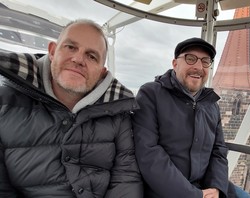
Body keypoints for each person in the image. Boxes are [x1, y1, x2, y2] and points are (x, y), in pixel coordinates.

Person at [0, 19, 143, 197]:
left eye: (92, 56)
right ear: (52, 51)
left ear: (101, 72)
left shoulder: (117, 113)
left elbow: (126, 177)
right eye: (70, 47)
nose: (78, 59)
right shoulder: (5, 103)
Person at [132, 37, 250, 198]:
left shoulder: (211, 104)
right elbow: (149, 154)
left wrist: (216, 187)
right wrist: (193, 195)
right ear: (175, 64)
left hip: (207, 187)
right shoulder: (151, 94)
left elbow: (218, 151)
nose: (198, 67)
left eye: (205, 61)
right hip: (166, 192)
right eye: (190, 59)